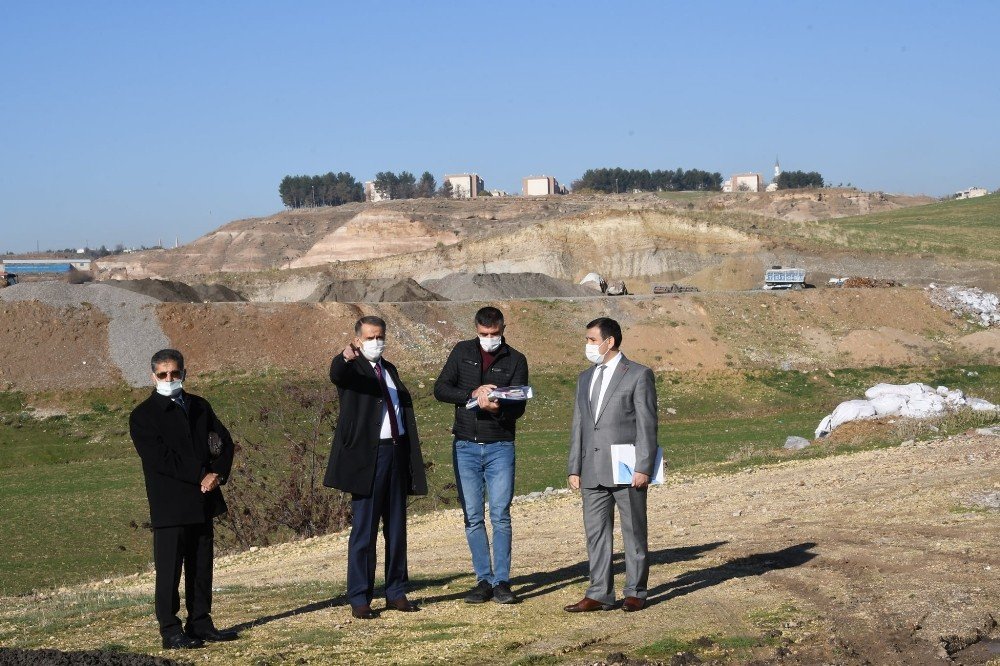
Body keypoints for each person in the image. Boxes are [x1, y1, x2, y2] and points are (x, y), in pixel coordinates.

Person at [129, 349, 238, 649]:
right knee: (169, 571)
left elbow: (224, 442)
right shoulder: (143, 416)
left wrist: (217, 474)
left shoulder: (200, 406)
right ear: (153, 376)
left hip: (204, 499)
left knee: (201, 566)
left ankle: (201, 622)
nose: (169, 378)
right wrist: (200, 474)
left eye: (175, 373)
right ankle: (170, 629)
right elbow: (161, 459)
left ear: (184, 373)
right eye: (163, 374)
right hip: (170, 503)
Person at [324, 315, 427, 619]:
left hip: (395, 454)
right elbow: (336, 374)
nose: (375, 342)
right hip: (368, 459)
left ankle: (395, 590)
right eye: (369, 337)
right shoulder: (352, 369)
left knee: (396, 528)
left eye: (379, 336)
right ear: (357, 339)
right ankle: (359, 596)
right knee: (365, 531)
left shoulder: (390, 369)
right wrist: (344, 357)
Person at [434, 306, 529, 604]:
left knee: (500, 515)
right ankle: (483, 580)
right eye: (484, 334)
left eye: (495, 334)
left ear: (503, 329)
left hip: (500, 445)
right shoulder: (461, 352)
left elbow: (520, 405)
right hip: (465, 446)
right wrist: (472, 395)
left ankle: (502, 581)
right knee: (473, 517)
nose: (489, 338)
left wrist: (497, 407)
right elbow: (441, 389)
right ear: (476, 329)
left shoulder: (516, 359)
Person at [565, 317, 658, 613]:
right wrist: (574, 467)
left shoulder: (639, 374)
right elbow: (579, 423)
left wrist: (644, 466)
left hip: (626, 468)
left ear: (610, 342)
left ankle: (635, 591)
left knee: (633, 530)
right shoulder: (584, 378)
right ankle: (599, 592)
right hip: (591, 469)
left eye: (592, 340)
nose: (588, 345)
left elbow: (647, 424)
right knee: (596, 533)